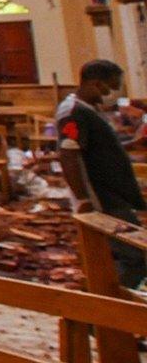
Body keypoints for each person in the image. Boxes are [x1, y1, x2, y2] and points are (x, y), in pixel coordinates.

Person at [58, 59, 147, 288]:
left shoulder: (89, 109)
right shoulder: (74, 112)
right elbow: (69, 155)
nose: (110, 93)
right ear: (96, 83)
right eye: (109, 87)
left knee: (119, 255)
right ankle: (107, 309)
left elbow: (100, 148)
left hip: (113, 194)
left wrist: (132, 143)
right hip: (101, 197)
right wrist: (83, 199)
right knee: (135, 256)